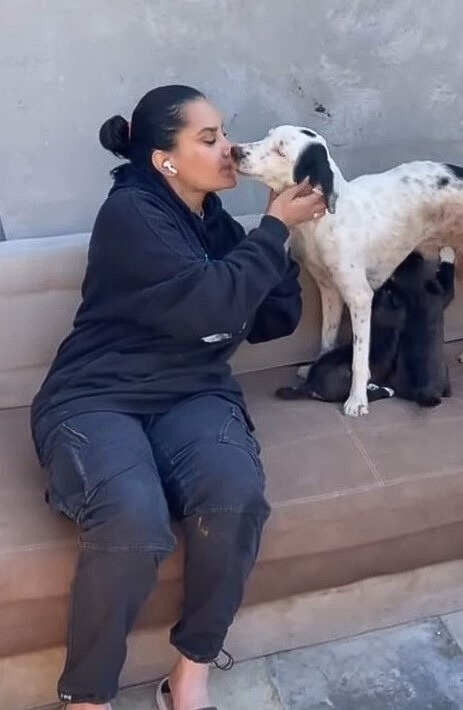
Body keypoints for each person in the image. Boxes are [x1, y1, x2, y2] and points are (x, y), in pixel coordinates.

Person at [30, 85, 326, 710]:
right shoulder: (131, 214)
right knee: (134, 522)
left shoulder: (213, 222)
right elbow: (209, 305)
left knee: (235, 500)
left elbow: (273, 318)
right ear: (165, 158)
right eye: (210, 138)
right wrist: (271, 230)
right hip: (98, 395)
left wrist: (277, 235)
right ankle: (87, 698)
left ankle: (189, 674)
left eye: (226, 133)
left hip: (191, 391)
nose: (230, 148)